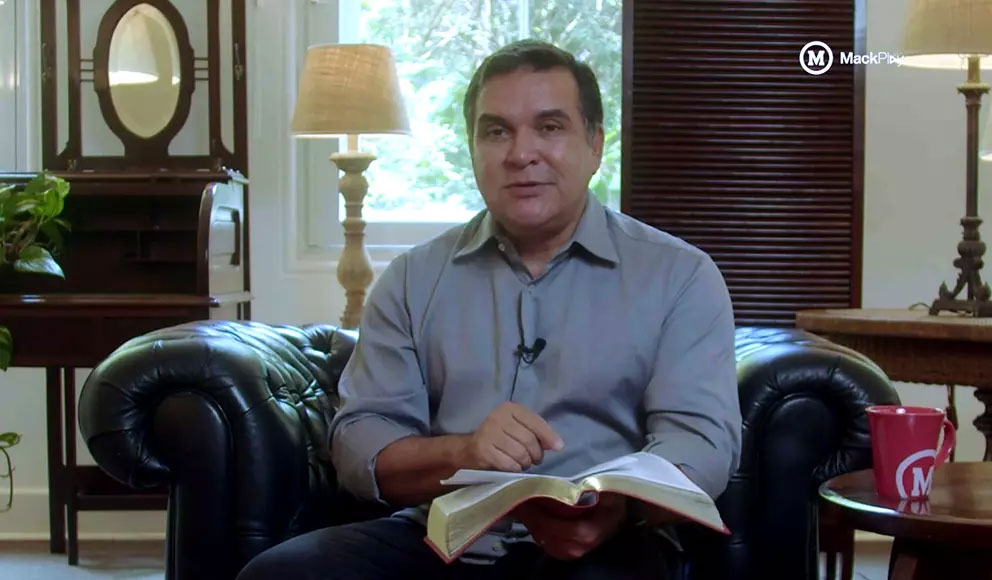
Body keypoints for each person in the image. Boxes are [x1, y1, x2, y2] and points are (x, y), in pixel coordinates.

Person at [238, 39, 741, 580]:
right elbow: (362, 442)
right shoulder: (412, 278)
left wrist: (618, 506)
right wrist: (462, 453)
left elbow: (701, 444)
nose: (521, 153)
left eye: (550, 127)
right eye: (496, 131)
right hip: (438, 535)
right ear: (473, 148)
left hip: (606, 543)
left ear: (595, 145)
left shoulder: (679, 275)